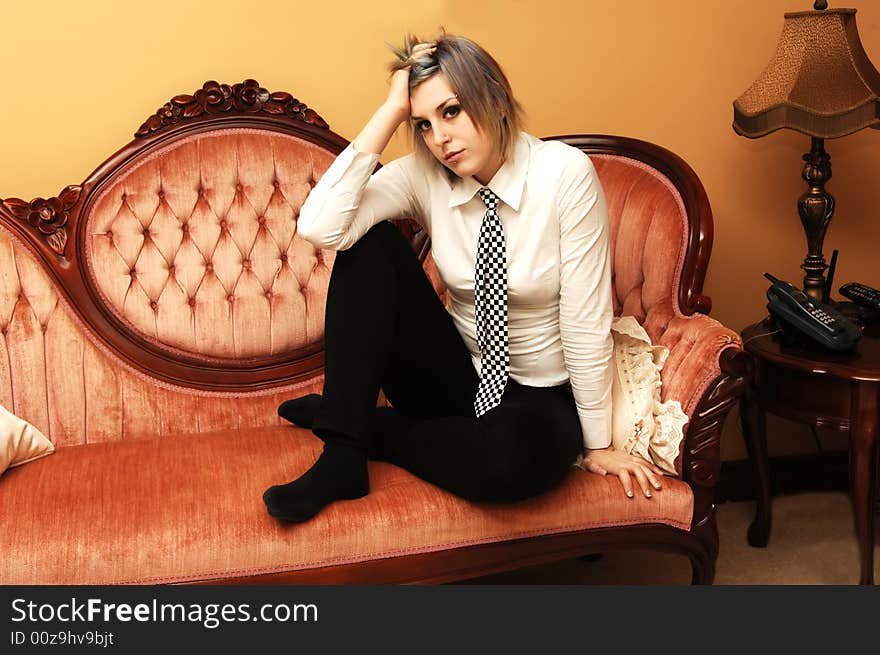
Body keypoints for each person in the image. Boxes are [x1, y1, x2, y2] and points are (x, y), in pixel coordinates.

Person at [262, 32, 665, 523]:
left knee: (505, 468)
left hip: (537, 392)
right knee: (366, 244)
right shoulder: (424, 173)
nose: (440, 139)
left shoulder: (564, 175)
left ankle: (364, 425)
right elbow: (321, 227)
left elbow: (585, 319)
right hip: (456, 377)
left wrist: (597, 442)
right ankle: (343, 455)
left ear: (493, 96)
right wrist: (392, 108)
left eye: (451, 111)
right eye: (424, 124)